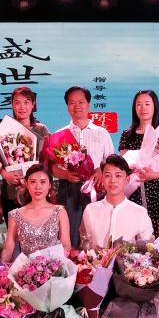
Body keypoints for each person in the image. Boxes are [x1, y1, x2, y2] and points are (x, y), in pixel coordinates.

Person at [47, 86, 114, 248]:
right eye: (72, 103)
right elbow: (51, 167)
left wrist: (101, 171)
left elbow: (111, 161)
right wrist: (65, 175)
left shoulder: (101, 133)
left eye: (81, 102)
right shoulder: (59, 135)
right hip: (69, 189)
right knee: (71, 233)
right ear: (67, 107)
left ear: (88, 105)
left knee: (98, 233)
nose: (77, 106)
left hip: (96, 189)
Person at [118, 89, 159, 236]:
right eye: (139, 104)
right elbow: (124, 165)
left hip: (156, 188)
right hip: (133, 187)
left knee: (157, 231)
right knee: (133, 230)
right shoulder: (127, 135)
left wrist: (154, 175)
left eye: (147, 104)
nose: (143, 108)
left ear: (155, 106)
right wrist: (136, 171)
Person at [0, 86, 49, 218]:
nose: (22, 107)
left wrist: (34, 179)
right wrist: (5, 175)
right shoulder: (4, 129)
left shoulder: (41, 130)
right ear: (12, 105)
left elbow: (46, 160)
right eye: (17, 102)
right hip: (11, 190)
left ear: (33, 104)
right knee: (12, 229)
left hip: (36, 190)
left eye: (26, 102)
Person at [80, 155, 154, 249]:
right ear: (102, 179)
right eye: (107, 176)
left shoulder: (140, 213)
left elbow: (149, 248)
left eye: (118, 176)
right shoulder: (90, 210)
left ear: (127, 179)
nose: (112, 180)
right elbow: (84, 245)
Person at [0, 164, 71, 261]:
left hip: (53, 267)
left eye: (43, 182)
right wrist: (0, 267)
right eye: (33, 182)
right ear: (27, 184)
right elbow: (8, 248)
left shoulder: (59, 211)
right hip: (25, 268)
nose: (38, 187)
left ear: (49, 185)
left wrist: (51, 267)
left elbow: (66, 246)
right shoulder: (15, 214)